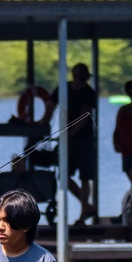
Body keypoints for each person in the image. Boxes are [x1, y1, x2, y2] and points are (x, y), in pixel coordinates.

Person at [50, 62, 98, 225]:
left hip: (83, 140)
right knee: (63, 176)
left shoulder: (88, 93)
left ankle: (84, 213)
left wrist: (69, 134)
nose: (82, 81)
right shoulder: (63, 88)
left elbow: (85, 116)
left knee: (85, 176)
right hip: (67, 140)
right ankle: (87, 206)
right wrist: (43, 123)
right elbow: (51, 106)